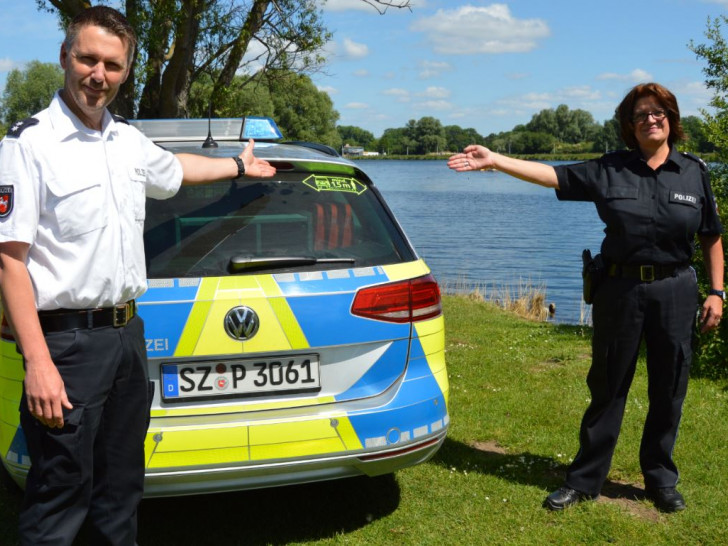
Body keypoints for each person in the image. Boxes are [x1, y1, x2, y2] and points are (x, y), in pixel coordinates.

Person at [0, 6, 275, 545]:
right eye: (87, 59)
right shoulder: (26, 145)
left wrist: (241, 166)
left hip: (127, 338)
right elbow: (9, 260)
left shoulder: (126, 140)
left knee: (121, 491)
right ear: (65, 57)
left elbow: (176, 170)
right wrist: (38, 363)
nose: (98, 75)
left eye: (113, 64)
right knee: (60, 495)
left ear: (126, 71)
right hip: (66, 345)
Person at [447, 82, 724, 513]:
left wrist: (717, 292)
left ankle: (660, 480)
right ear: (629, 127)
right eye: (641, 115)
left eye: (659, 112)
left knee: (669, 387)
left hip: (676, 291)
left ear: (671, 119)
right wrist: (495, 160)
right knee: (608, 386)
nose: (651, 119)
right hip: (620, 290)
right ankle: (585, 479)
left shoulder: (694, 172)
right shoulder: (609, 169)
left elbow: (710, 236)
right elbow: (552, 175)